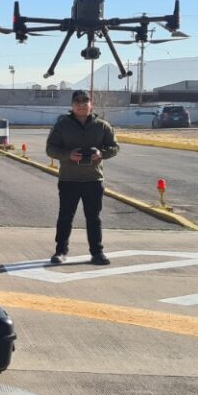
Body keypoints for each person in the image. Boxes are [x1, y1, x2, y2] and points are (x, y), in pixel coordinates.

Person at [44, 90, 119, 265]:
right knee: (65, 217)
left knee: (94, 218)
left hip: (93, 179)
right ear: (72, 105)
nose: (81, 104)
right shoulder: (62, 125)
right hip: (69, 179)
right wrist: (68, 155)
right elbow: (50, 149)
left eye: (85, 101)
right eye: (77, 101)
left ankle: (97, 253)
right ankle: (60, 251)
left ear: (90, 104)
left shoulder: (102, 126)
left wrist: (101, 153)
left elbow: (114, 147)